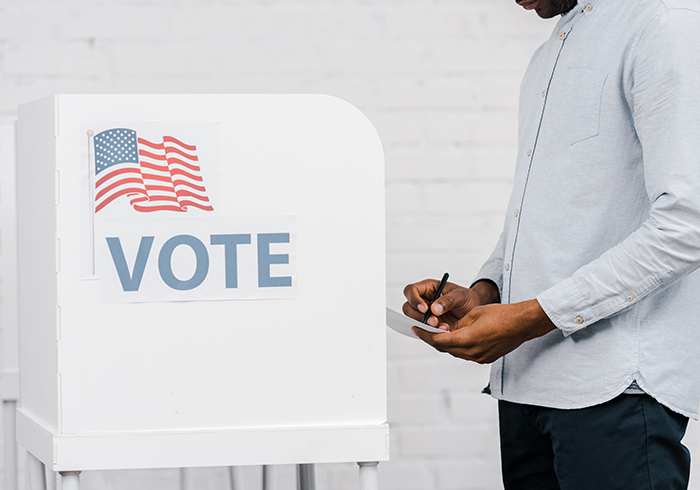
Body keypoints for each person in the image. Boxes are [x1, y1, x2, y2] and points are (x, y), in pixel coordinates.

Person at [402, 0, 700, 488]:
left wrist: (529, 318)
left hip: (615, 392)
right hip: (526, 390)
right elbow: (540, 210)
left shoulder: (662, 25)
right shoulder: (547, 56)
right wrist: (485, 292)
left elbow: (689, 223)